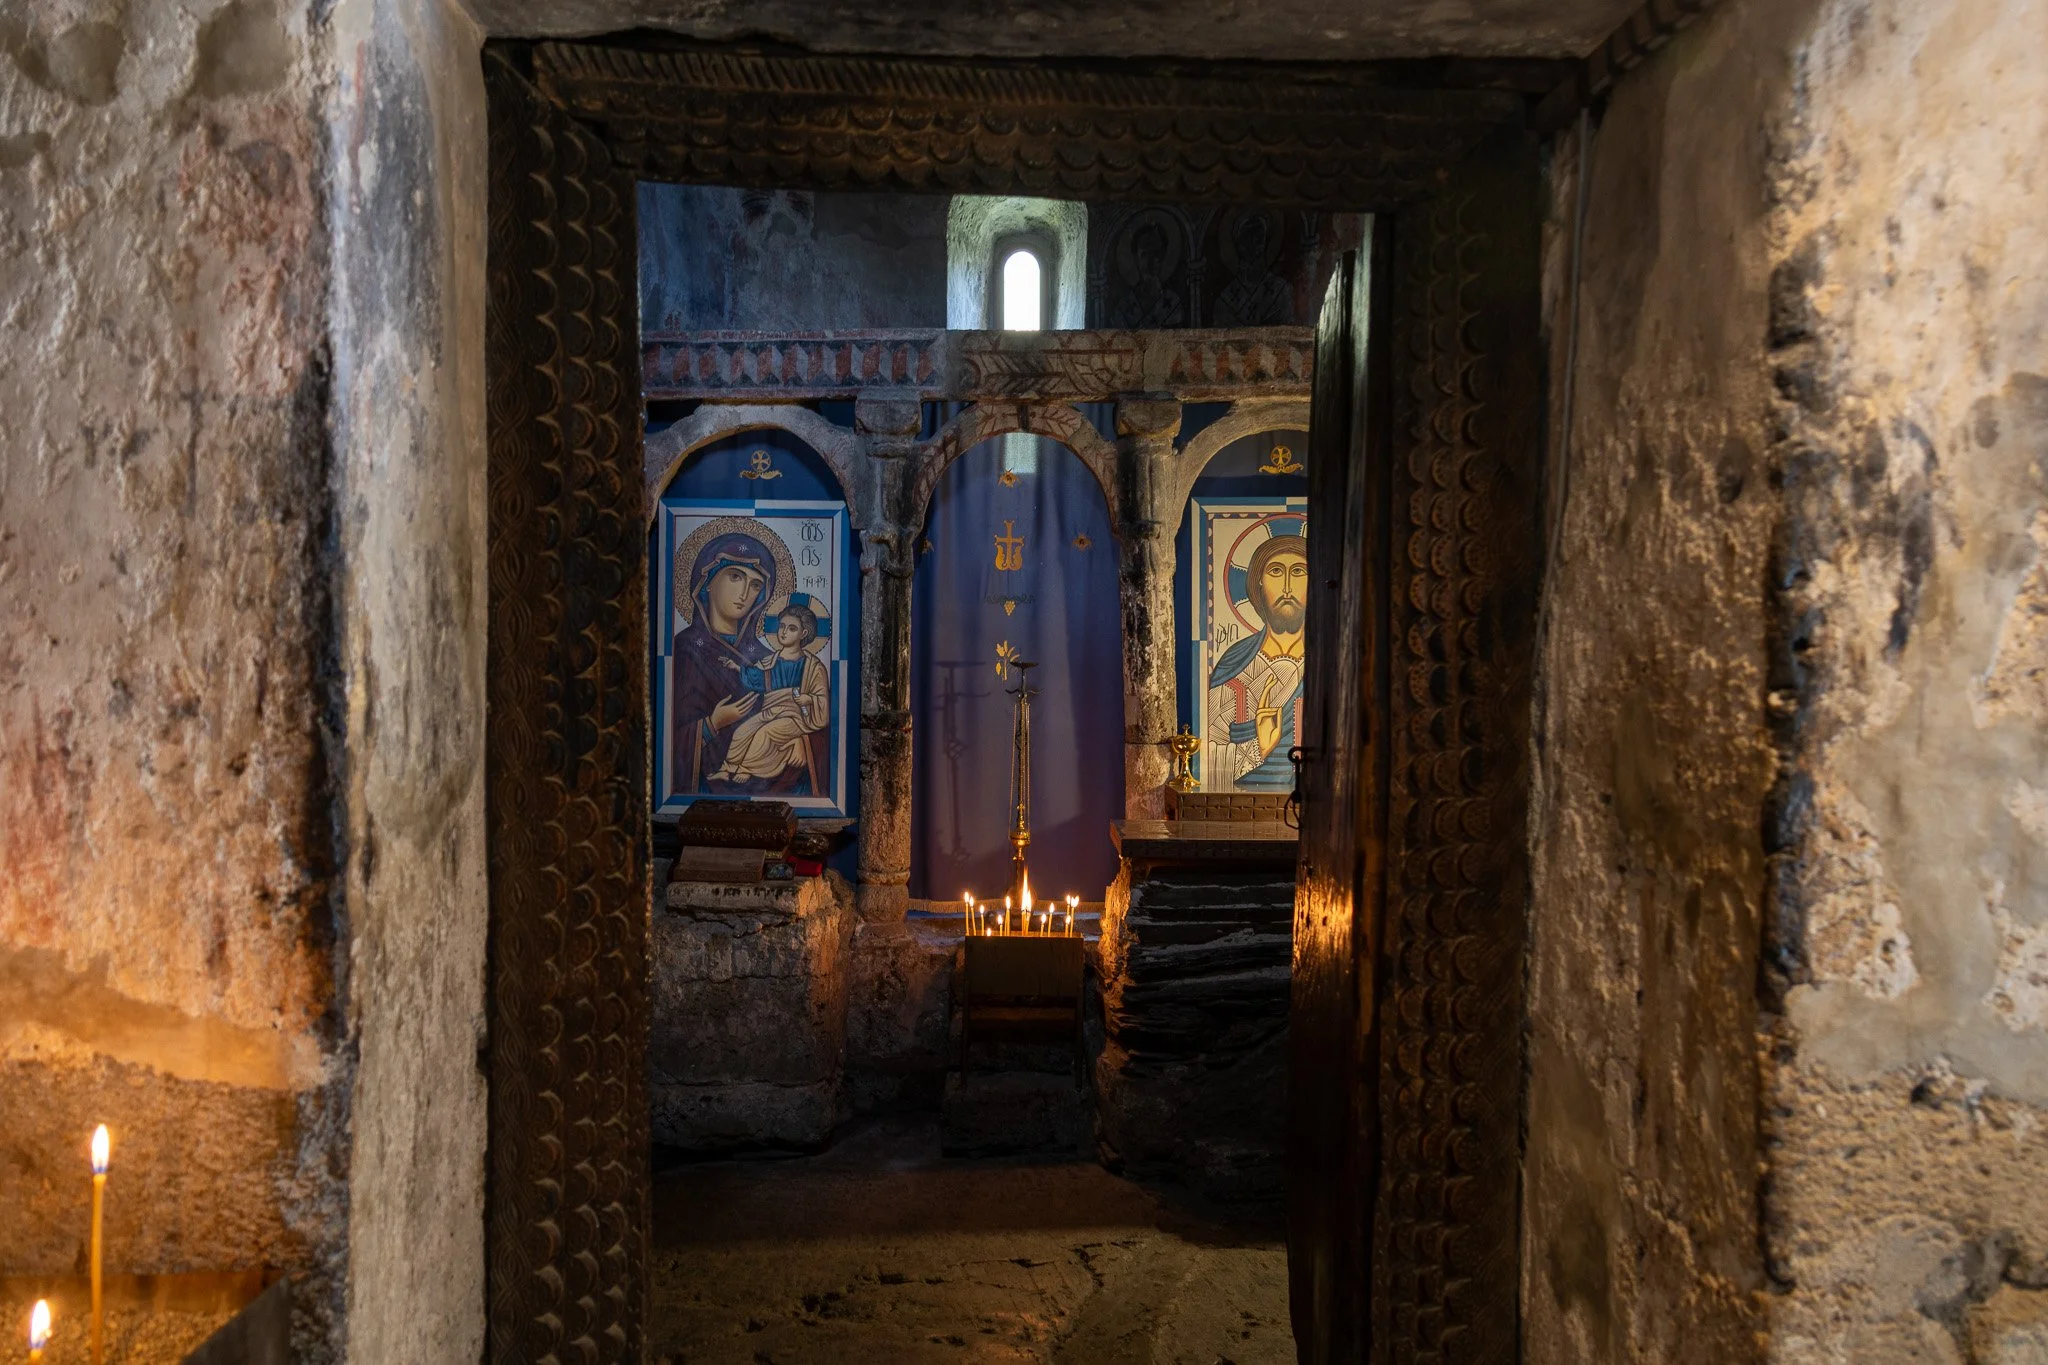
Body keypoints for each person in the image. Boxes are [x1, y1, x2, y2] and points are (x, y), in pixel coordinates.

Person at [669, 531, 777, 795]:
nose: (744, 593)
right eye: (736, 577)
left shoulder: (767, 658)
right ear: (706, 582)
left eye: (755, 585)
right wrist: (713, 723)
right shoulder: (683, 651)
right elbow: (668, 740)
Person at [1205, 532, 1307, 790]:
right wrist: (1259, 744)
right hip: (1246, 804)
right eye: (1275, 571)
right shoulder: (1235, 666)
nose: (1287, 587)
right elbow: (1209, 758)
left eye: (1298, 572)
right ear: (1258, 583)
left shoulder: (1334, 664)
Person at [711, 603, 831, 791]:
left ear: (804, 633)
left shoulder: (813, 667)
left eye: (791, 628)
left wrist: (808, 699)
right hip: (772, 710)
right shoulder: (771, 660)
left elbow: (822, 698)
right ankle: (727, 768)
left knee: (765, 733)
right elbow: (758, 678)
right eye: (782, 626)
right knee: (742, 731)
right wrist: (737, 668)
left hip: (798, 716)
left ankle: (746, 768)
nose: (783, 632)